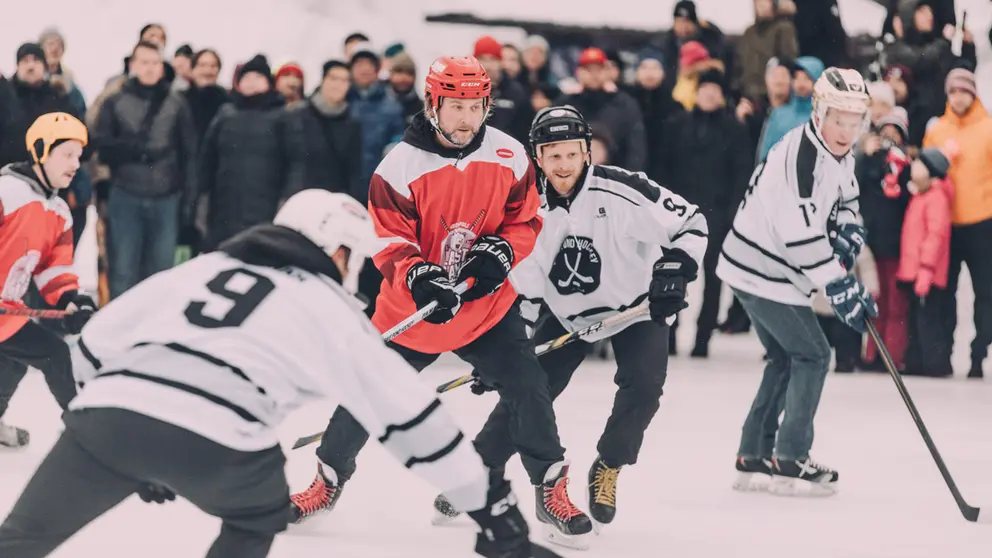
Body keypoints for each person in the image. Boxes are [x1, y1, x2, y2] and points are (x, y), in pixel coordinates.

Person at [0, 189, 561, 558]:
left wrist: (127, 436)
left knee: (19, 542)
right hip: (223, 442)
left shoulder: (201, 267)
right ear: (336, 251)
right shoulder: (327, 306)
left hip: (106, 425)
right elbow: (409, 418)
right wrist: (494, 513)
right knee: (257, 515)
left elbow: (91, 347)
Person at [292, 56, 594, 549]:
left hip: (486, 308)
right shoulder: (398, 167)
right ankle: (326, 481)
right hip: (414, 313)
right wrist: (420, 275)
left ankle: (550, 486)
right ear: (433, 105)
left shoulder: (510, 155)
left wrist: (501, 250)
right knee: (366, 395)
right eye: (455, 106)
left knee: (528, 388)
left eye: (476, 107)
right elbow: (388, 241)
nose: (466, 118)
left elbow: (525, 220)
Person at [434, 105, 708, 530]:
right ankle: (476, 472)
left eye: (572, 153)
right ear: (538, 158)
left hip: (633, 309)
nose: (564, 165)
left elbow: (691, 222)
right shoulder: (524, 208)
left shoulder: (623, 190)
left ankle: (609, 465)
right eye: (553, 155)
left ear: (587, 153)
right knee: (528, 392)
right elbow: (523, 289)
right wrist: (506, 355)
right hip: (566, 314)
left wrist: (674, 269)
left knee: (645, 388)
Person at [716, 67, 878, 497]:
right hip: (762, 272)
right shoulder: (799, 157)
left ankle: (754, 455)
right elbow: (801, 236)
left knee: (786, 357)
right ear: (820, 112)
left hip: (766, 270)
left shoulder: (836, 151)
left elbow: (848, 197)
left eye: (854, 120)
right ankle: (790, 457)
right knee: (813, 354)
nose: (846, 130)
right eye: (838, 118)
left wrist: (849, 229)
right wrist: (838, 284)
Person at [0, 112, 95, 447]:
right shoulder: (6, 191)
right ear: (41, 150)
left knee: (23, 361)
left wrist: (72, 298)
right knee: (39, 356)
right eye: (67, 154)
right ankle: (89, 437)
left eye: (79, 157)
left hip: (7, 314)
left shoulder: (59, 212)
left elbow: (55, 269)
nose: (75, 164)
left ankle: (86, 435)